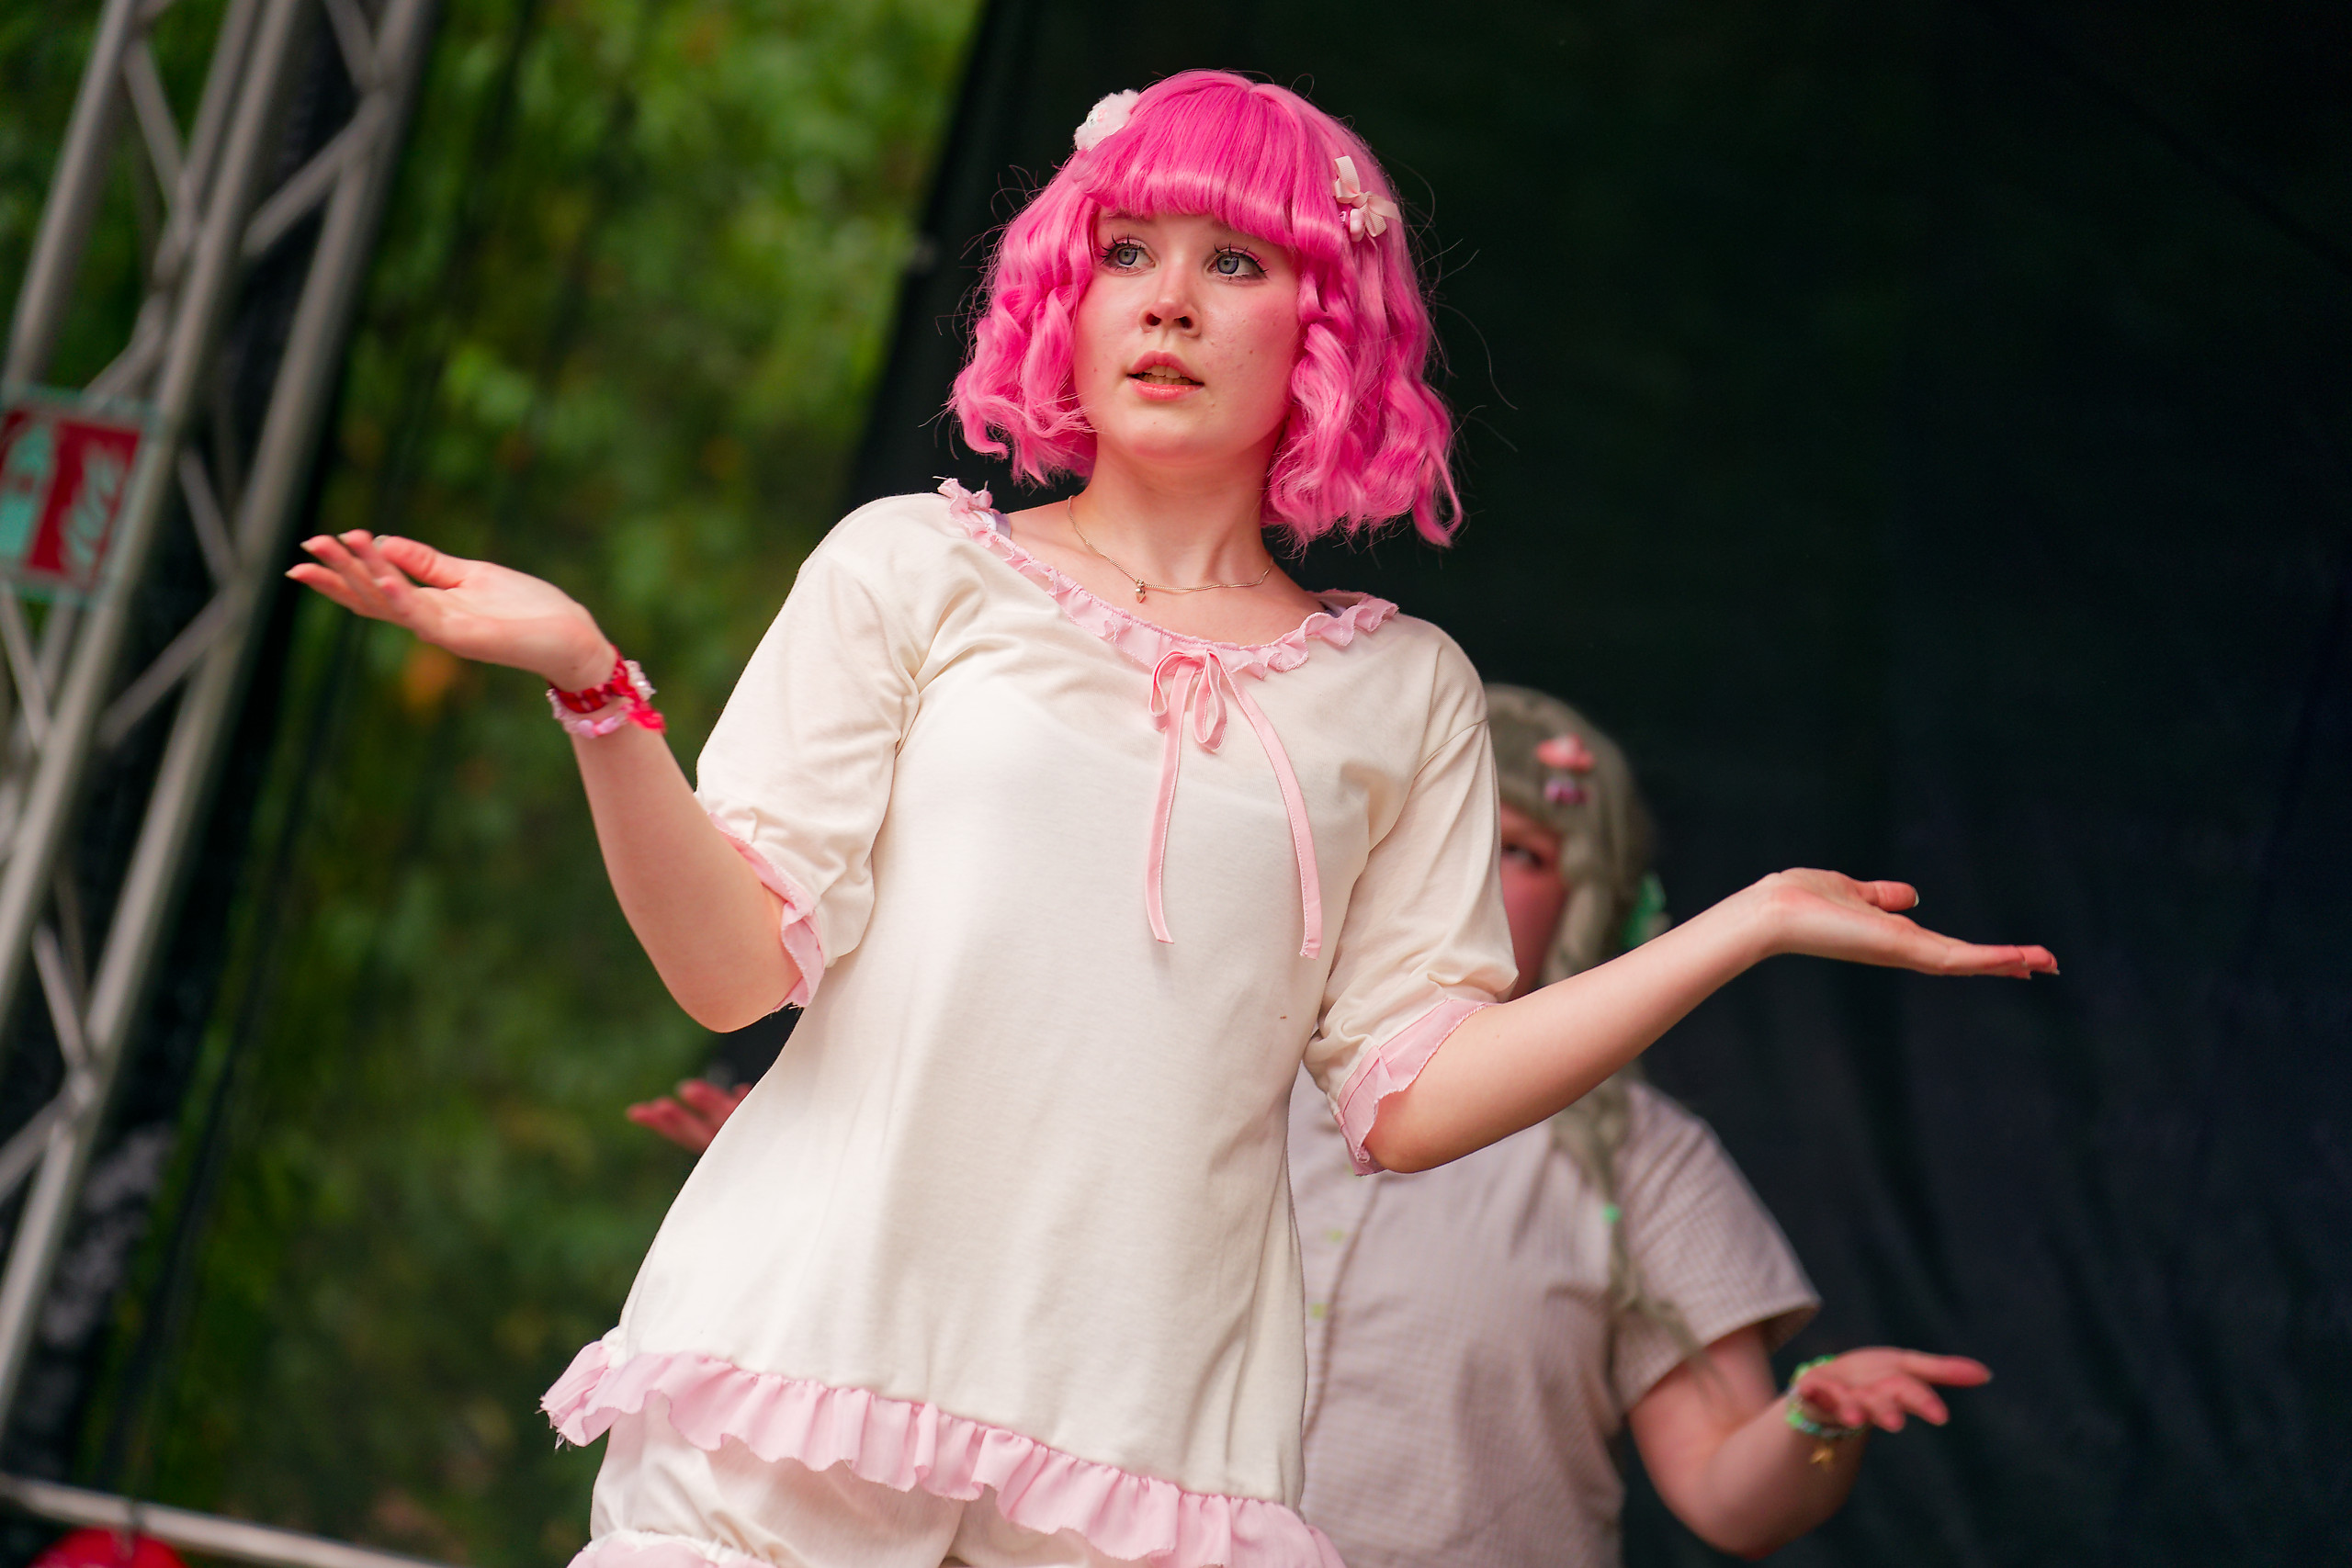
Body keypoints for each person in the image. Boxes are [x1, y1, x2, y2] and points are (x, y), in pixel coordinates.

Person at [288, 71, 2051, 1568]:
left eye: (1236, 261)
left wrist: (1740, 925)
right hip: (801, 1362)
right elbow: (730, 971)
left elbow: (1413, 1098)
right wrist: (598, 691)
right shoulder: (912, 569)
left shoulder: (1404, 691)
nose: (1168, 304)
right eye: (1126, 252)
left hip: (1139, 1448)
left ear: (1328, 330)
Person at [1289, 687, 1988, 1567]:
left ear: (1587, 898)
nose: (1465, 874)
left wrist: (1814, 1423)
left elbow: (1734, 1505)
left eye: (1518, 849)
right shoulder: (1237, 1079)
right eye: (1436, 835)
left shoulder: (1646, 1162)